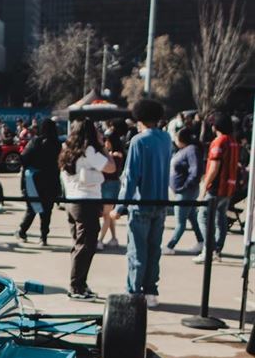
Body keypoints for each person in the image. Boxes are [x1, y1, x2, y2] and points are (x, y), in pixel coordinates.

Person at [109, 98, 172, 307]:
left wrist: (120, 207)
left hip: (140, 204)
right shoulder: (166, 138)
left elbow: (130, 177)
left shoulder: (138, 141)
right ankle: (151, 291)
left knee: (137, 251)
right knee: (154, 250)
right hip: (161, 203)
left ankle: (134, 292)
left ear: (140, 118)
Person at [59, 119, 115, 299]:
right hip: (86, 202)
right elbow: (111, 167)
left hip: (72, 201)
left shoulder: (67, 150)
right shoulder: (89, 151)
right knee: (86, 246)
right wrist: (103, 147)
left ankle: (80, 283)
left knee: (79, 245)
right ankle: (76, 287)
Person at [194, 111, 241, 264]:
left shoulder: (219, 142)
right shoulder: (234, 142)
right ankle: (217, 250)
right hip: (229, 187)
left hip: (216, 187)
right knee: (221, 218)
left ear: (215, 126)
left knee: (203, 216)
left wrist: (204, 186)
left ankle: (209, 249)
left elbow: (214, 167)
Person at [17, 118, 61, 246]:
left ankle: (22, 231)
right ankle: (43, 236)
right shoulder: (57, 144)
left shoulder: (35, 142)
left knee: (32, 208)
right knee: (47, 210)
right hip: (51, 179)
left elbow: (23, 158)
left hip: (35, 180)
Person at [165, 127, 204, 254]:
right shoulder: (184, 150)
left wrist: (186, 185)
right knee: (192, 217)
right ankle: (201, 241)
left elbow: (195, 170)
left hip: (186, 192)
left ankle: (170, 246)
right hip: (183, 191)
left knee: (180, 221)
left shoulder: (191, 150)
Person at [97, 120, 126, 248]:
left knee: (106, 214)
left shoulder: (115, 155)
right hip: (109, 184)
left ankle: (100, 240)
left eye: (106, 141)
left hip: (110, 185)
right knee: (107, 215)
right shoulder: (113, 154)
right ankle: (114, 238)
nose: (105, 143)